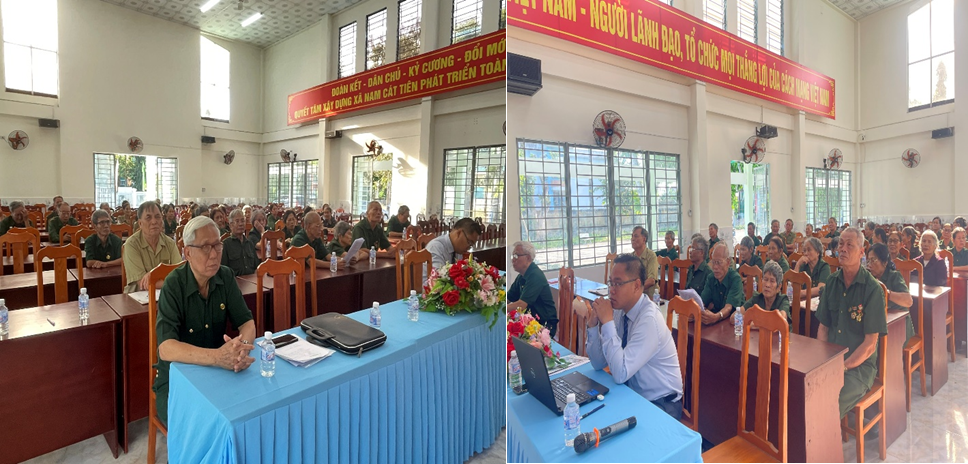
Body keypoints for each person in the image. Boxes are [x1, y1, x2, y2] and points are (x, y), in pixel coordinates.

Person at [154, 216, 256, 427]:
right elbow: (166, 348)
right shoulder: (173, 285)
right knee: (202, 425)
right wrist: (217, 357)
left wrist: (241, 351)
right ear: (188, 252)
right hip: (178, 377)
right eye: (205, 247)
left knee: (249, 409)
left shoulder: (225, 276)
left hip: (218, 372)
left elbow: (247, 323)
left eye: (217, 245)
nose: (214, 254)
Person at [583, 254, 683, 419]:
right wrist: (593, 326)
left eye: (618, 283)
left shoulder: (648, 319)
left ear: (636, 285)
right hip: (633, 396)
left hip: (662, 404)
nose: (611, 290)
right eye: (610, 283)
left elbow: (620, 373)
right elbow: (598, 363)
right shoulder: (619, 311)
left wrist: (607, 323)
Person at [815, 227, 888, 420]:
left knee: (829, 401)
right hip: (831, 360)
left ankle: (824, 436)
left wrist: (843, 367)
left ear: (862, 252)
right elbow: (823, 328)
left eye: (850, 245)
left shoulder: (872, 289)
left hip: (858, 367)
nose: (843, 249)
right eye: (840, 244)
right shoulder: (831, 282)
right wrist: (823, 362)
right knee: (803, 391)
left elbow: (870, 344)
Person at [122, 201, 182, 294]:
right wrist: (171, 282)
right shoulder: (132, 244)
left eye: (157, 217)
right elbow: (142, 283)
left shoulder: (170, 243)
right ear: (140, 223)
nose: (154, 222)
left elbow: (180, 275)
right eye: (148, 218)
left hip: (166, 295)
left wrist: (155, 280)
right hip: (136, 297)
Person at [508, 241, 558, 336]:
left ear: (528, 258)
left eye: (516, 256)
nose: (513, 260)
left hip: (545, 325)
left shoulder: (535, 275)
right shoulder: (521, 276)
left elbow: (521, 305)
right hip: (530, 321)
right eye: (513, 256)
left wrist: (502, 309)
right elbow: (509, 297)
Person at [867, 243, 915, 343]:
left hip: (899, 325)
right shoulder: (870, 278)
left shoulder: (894, 276)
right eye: (868, 261)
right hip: (881, 322)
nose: (869, 264)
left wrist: (886, 293)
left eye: (873, 260)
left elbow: (908, 301)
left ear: (884, 262)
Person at [733, 260, 792, 327]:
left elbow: (781, 322)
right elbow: (734, 317)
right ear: (761, 281)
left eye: (772, 281)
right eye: (765, 279)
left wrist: (754, 323)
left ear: (779, 287)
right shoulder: (757, 298)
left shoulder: (783, 300)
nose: (767, 285)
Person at [699, 243, 744, 325]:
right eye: (713, 262)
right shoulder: (711, 278)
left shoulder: (735, 279)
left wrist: (717, 316)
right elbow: (702, 302)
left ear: (728, 262)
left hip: (733, 323)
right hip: (716, 321)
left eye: (719, 262)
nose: (715, 267)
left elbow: (728, 308)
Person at [220, 209, 259, 276]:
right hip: (235, 280)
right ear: (231, 225)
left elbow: (257, 267)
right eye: (237, 221)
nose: (241, 224)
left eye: (242, 221)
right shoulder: (226, 245)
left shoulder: (249, 243)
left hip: (251, 279)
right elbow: (223, 271)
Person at [630, 226, 659, 296]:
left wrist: (636, 290)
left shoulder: (651, 256)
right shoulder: (631, 257)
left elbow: (651, 280)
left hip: (649, 296)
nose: (632, 239)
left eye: (636, 236)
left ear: (644, 239)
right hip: (634, 295)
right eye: (632, 236)